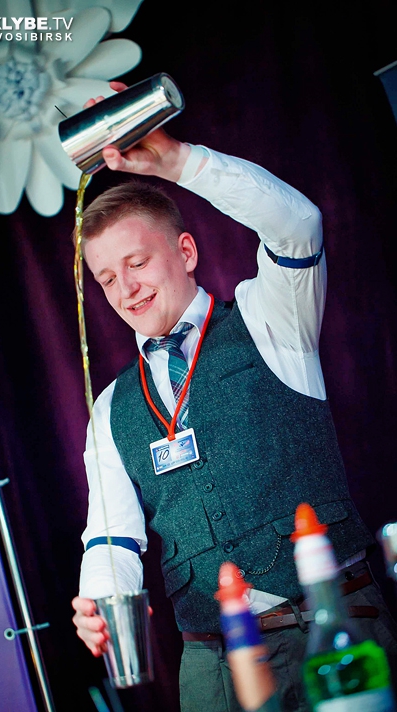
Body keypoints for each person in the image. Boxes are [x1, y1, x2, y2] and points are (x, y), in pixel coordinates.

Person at [72, 82, 397, 712]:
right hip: (216, 669)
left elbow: (298, 226)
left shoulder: (270, 318)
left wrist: (178, 161)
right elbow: (111, 537)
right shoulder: (110, 409)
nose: (125, 290)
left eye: (136, 263)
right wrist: (99, 601)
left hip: (338, 627)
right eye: (106, 278)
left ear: (186, 251)